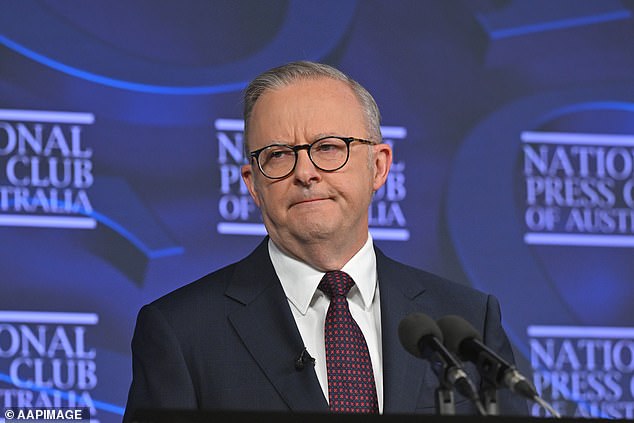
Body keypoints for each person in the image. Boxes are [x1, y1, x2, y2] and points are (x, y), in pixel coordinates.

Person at [123, 61, 528, 421]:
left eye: (329, 147)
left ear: (379, 166)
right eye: (279, 155)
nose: (306, 172)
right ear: (253, 183)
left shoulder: (466, 324)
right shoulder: (181, 332)